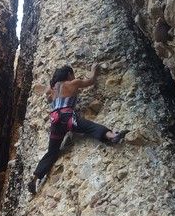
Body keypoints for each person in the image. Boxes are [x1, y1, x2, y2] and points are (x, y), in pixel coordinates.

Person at [28, 63, 129, 194]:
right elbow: (91, 81)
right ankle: (112, 135)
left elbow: (46, 89)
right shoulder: (73, 83)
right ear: (69, 74)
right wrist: (93, 69)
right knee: (90, 127)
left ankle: (35, 178)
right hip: (67, 118)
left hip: (55, 122)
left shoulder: (53, 89)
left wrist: (53, 79)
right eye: (72, 74)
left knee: (52, 152)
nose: (74, 76)